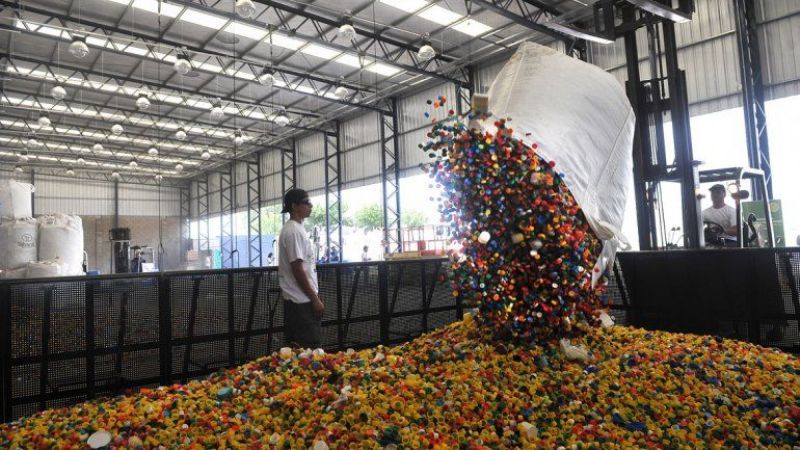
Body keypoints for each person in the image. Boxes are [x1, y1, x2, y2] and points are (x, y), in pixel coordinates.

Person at [278, 188, 323, 348]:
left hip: (298, 299)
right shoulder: (293, 231)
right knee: (310, 350)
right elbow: (297, 268)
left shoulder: (296, 229)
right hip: (301, 300)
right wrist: (315, 299)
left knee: (297, 350)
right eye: (306, 202)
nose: (310, 206)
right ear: (294, 206)